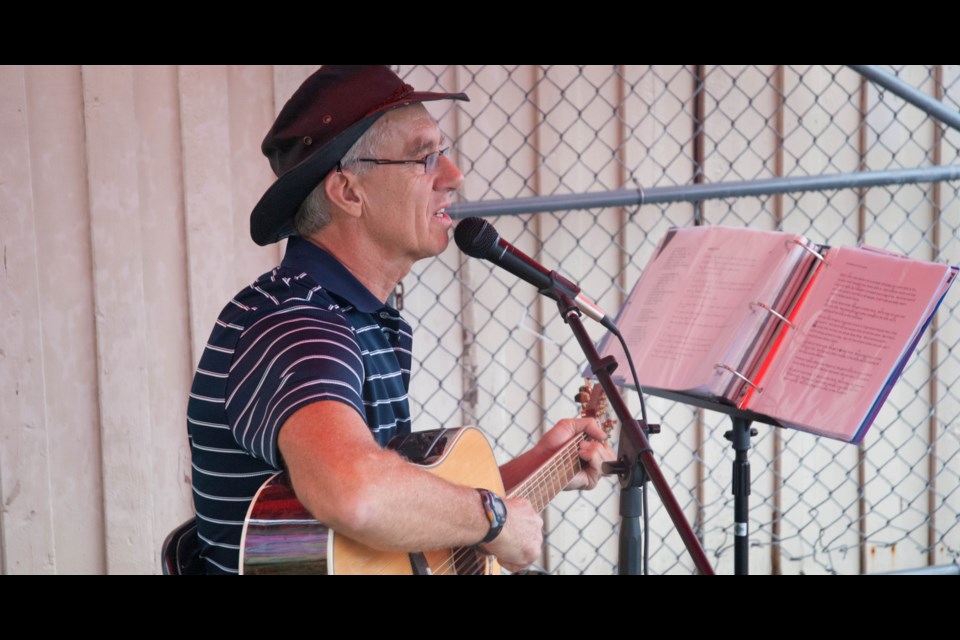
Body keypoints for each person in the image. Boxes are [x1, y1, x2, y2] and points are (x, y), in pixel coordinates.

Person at [187, 65, 613, 575]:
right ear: (348, 193)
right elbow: (354, 494)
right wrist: (495, 519)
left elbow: (399, 543)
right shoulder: (294, 325)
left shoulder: (348, 315)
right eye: (424, 156)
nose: (453, 175)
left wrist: (541, 466)